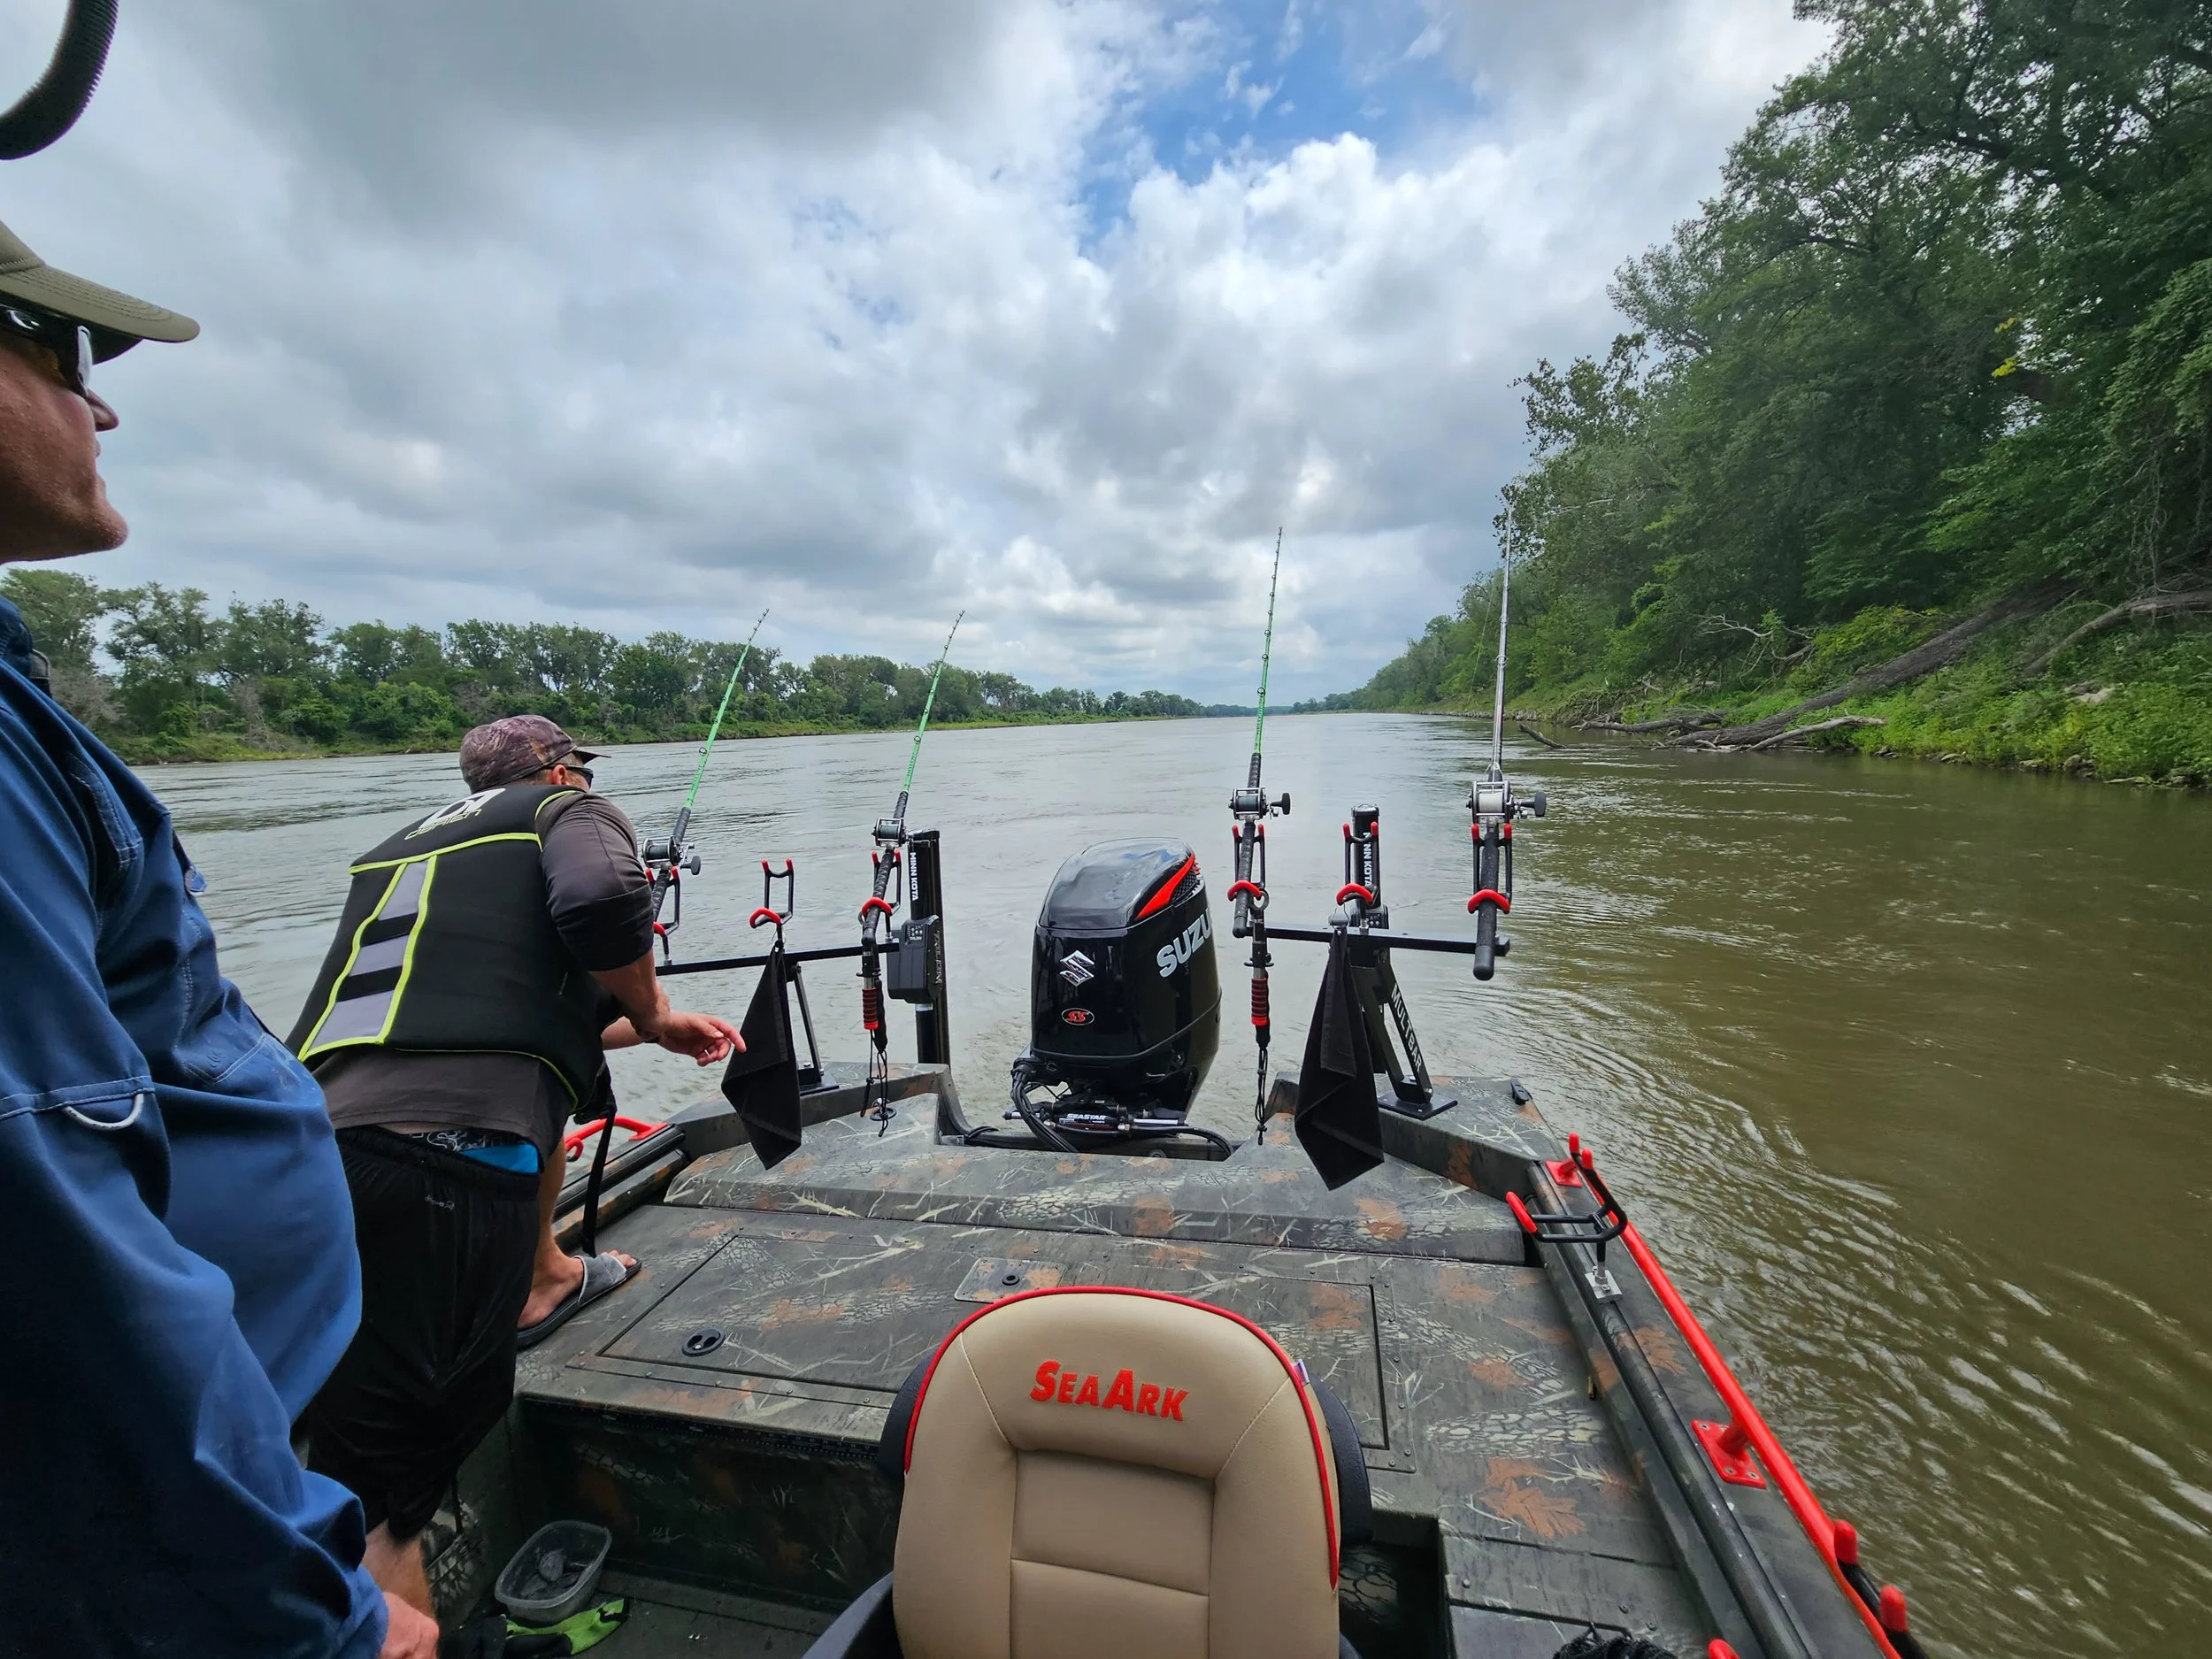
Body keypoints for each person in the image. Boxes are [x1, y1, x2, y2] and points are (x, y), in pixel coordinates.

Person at [0, 220, 437, 1655]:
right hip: (166, 1567)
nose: (102, 406)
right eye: (61, 352)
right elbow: (53, 1228)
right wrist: (322, 1618)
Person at [289, 713, 741, 1622]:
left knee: (342, 1422)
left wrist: (652, 1025)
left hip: (307, 1147)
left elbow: (488, 1012)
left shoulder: (403, 850)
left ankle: (546, 1278)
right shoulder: (566, 811)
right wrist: (654, 1007)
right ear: (560, 772)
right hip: (443, 1167)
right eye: (582, 772)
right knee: (390, 1497)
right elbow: (603, 899)